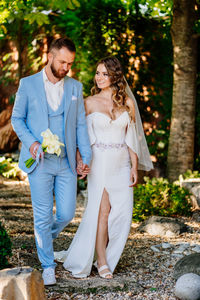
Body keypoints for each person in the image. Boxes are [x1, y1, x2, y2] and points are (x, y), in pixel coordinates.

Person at [54, 56, 153, 279]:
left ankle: (108, 254)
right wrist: (80, 160)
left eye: (104, 74)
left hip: (121, 163)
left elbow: (133, 139)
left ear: (115, 76)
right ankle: (101, 261)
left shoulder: (127, 103)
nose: (99, 78)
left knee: (123, 213)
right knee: (103, 211)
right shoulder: (88, 102)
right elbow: (78, 136)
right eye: (97, 73)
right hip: (98, 162)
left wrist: (134, 167)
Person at [11, 37, 92, 285]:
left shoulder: (75, 87)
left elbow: (80, 125)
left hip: (66, 162)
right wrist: (32, 142)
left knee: (67, 213)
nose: (66, 67)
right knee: (43, 215)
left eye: (70, 63)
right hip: (39, 162)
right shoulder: (27, 84)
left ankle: (43, 236)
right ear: (50, 56)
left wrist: (85, 157)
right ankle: (47, 265)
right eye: (63, 61)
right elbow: (17, 119)